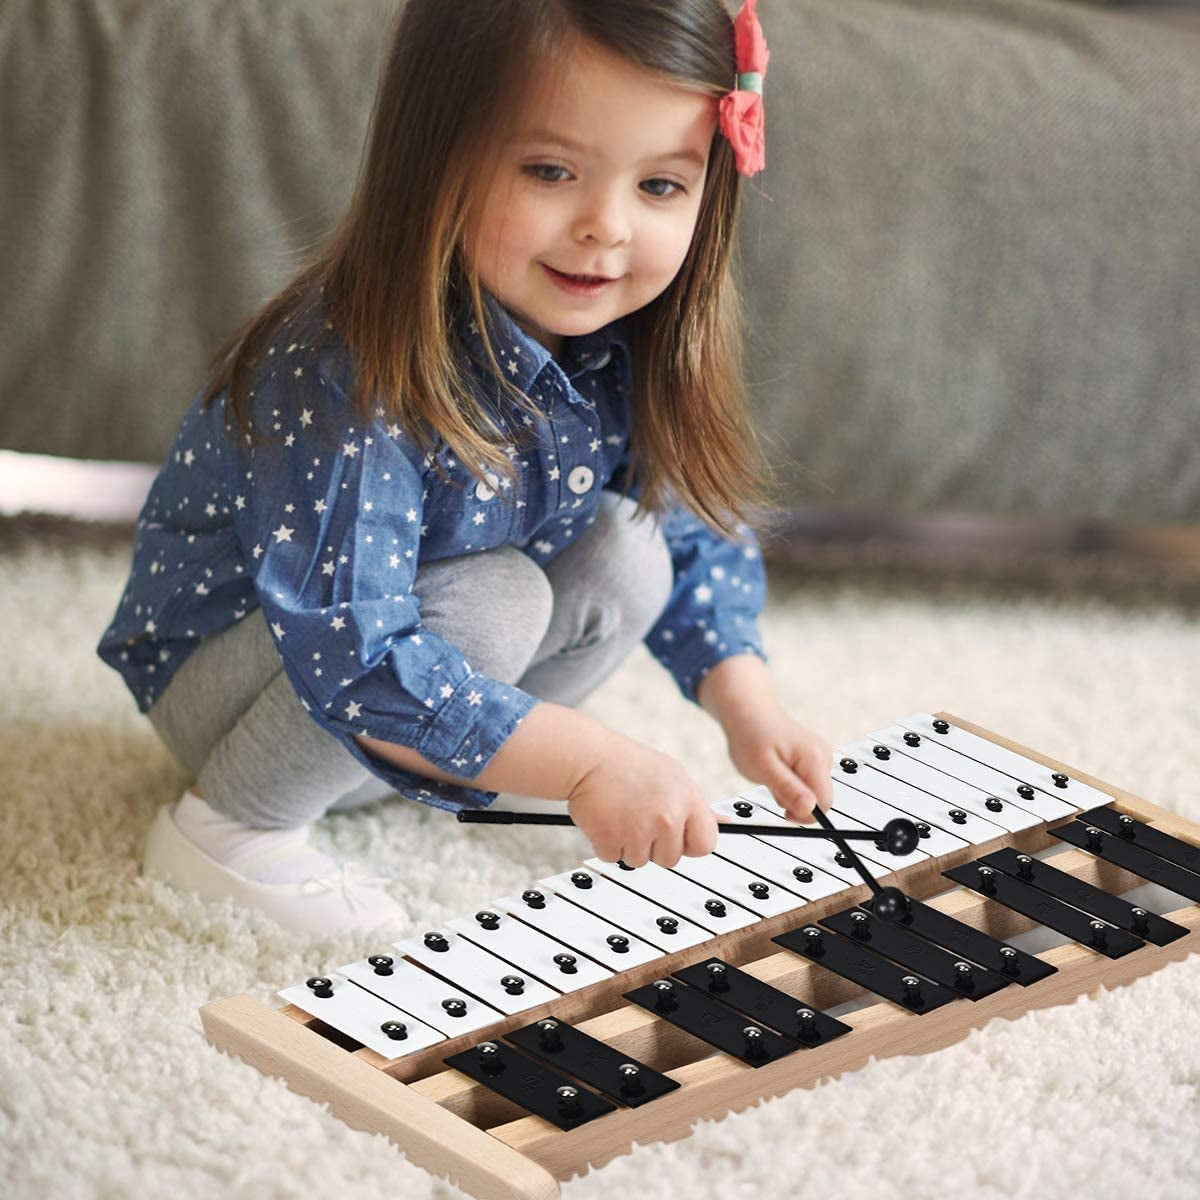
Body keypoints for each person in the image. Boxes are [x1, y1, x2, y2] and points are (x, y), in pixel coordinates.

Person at [97, 0, 834, 937]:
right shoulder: (349, 362)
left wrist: (749, 709)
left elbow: (688, 529)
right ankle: (229, 825)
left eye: (660, 186)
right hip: (242, 683)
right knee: (497, 598)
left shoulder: (621, 334)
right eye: (550, 172)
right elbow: (353, 646)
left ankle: (477, 759)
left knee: (630, 548)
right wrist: (586, 760)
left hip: (397, 686)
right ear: (438, 155)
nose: (605, 228)